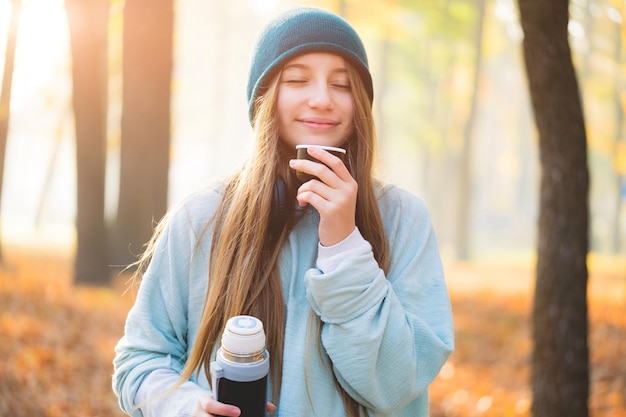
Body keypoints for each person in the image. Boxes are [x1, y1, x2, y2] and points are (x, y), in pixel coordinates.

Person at [112, 6, 454, 417]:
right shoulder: (200, 219)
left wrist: (345, 248)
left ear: (360, 102)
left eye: (342, 84)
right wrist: (186, 408)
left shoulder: (403, 220)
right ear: (265, 96)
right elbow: (140, 360)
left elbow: (397, 383)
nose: (323, 99)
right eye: (297, 79)